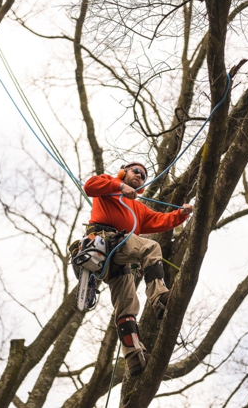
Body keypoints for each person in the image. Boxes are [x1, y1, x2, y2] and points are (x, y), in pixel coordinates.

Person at [83, 161, 193, 376]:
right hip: (107, 240)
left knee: (127, 305)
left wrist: (182, 214)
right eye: (136, 171)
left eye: (143, 175)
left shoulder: (139, 209)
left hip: (120, 258)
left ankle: (133, 357)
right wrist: (119, 187)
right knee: (151, 247)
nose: (140, 176)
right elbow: (90, 186)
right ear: (124, 172)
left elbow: (162, 220)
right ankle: (160, 297)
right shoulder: (108, 183)